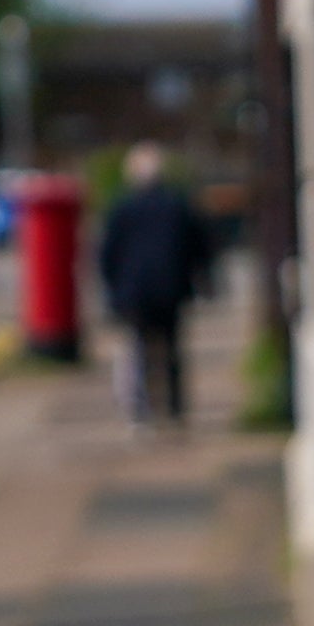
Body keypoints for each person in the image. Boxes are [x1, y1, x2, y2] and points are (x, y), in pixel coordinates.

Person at [96, 142, 213, 425]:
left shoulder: (123, 207)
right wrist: (204, 281)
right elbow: (200, 246)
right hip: (171, 288)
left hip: (134, 291)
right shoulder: (177, 204)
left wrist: (112, 289)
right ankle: (175, 408)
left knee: (139, 349)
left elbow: (107, 253)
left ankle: (142, 409)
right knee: (172, 349)